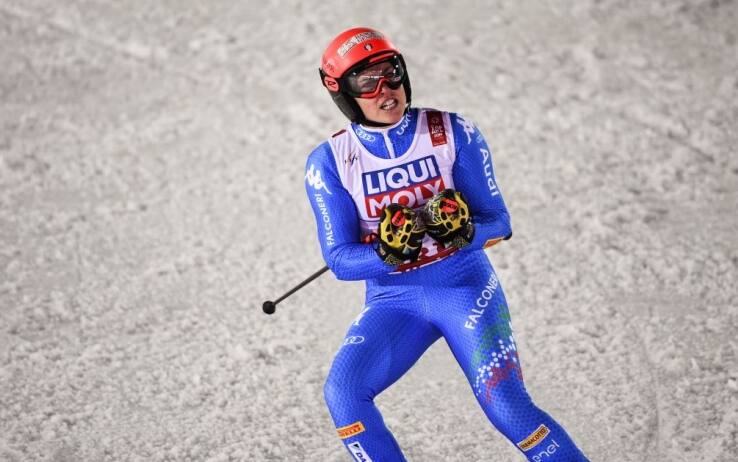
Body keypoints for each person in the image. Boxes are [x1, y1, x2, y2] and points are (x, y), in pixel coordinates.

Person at [305, 27, 589, 462]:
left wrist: (464, 233)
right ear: (340, 91)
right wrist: (386, 253)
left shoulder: (451, 131)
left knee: (507, 407)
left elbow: (500, 223)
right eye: (367, 81)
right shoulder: (330, 162)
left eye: (392, 72)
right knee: (342, 393)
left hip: (465, 290)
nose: (386, 90)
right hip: (394, 301)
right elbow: (341, 260)